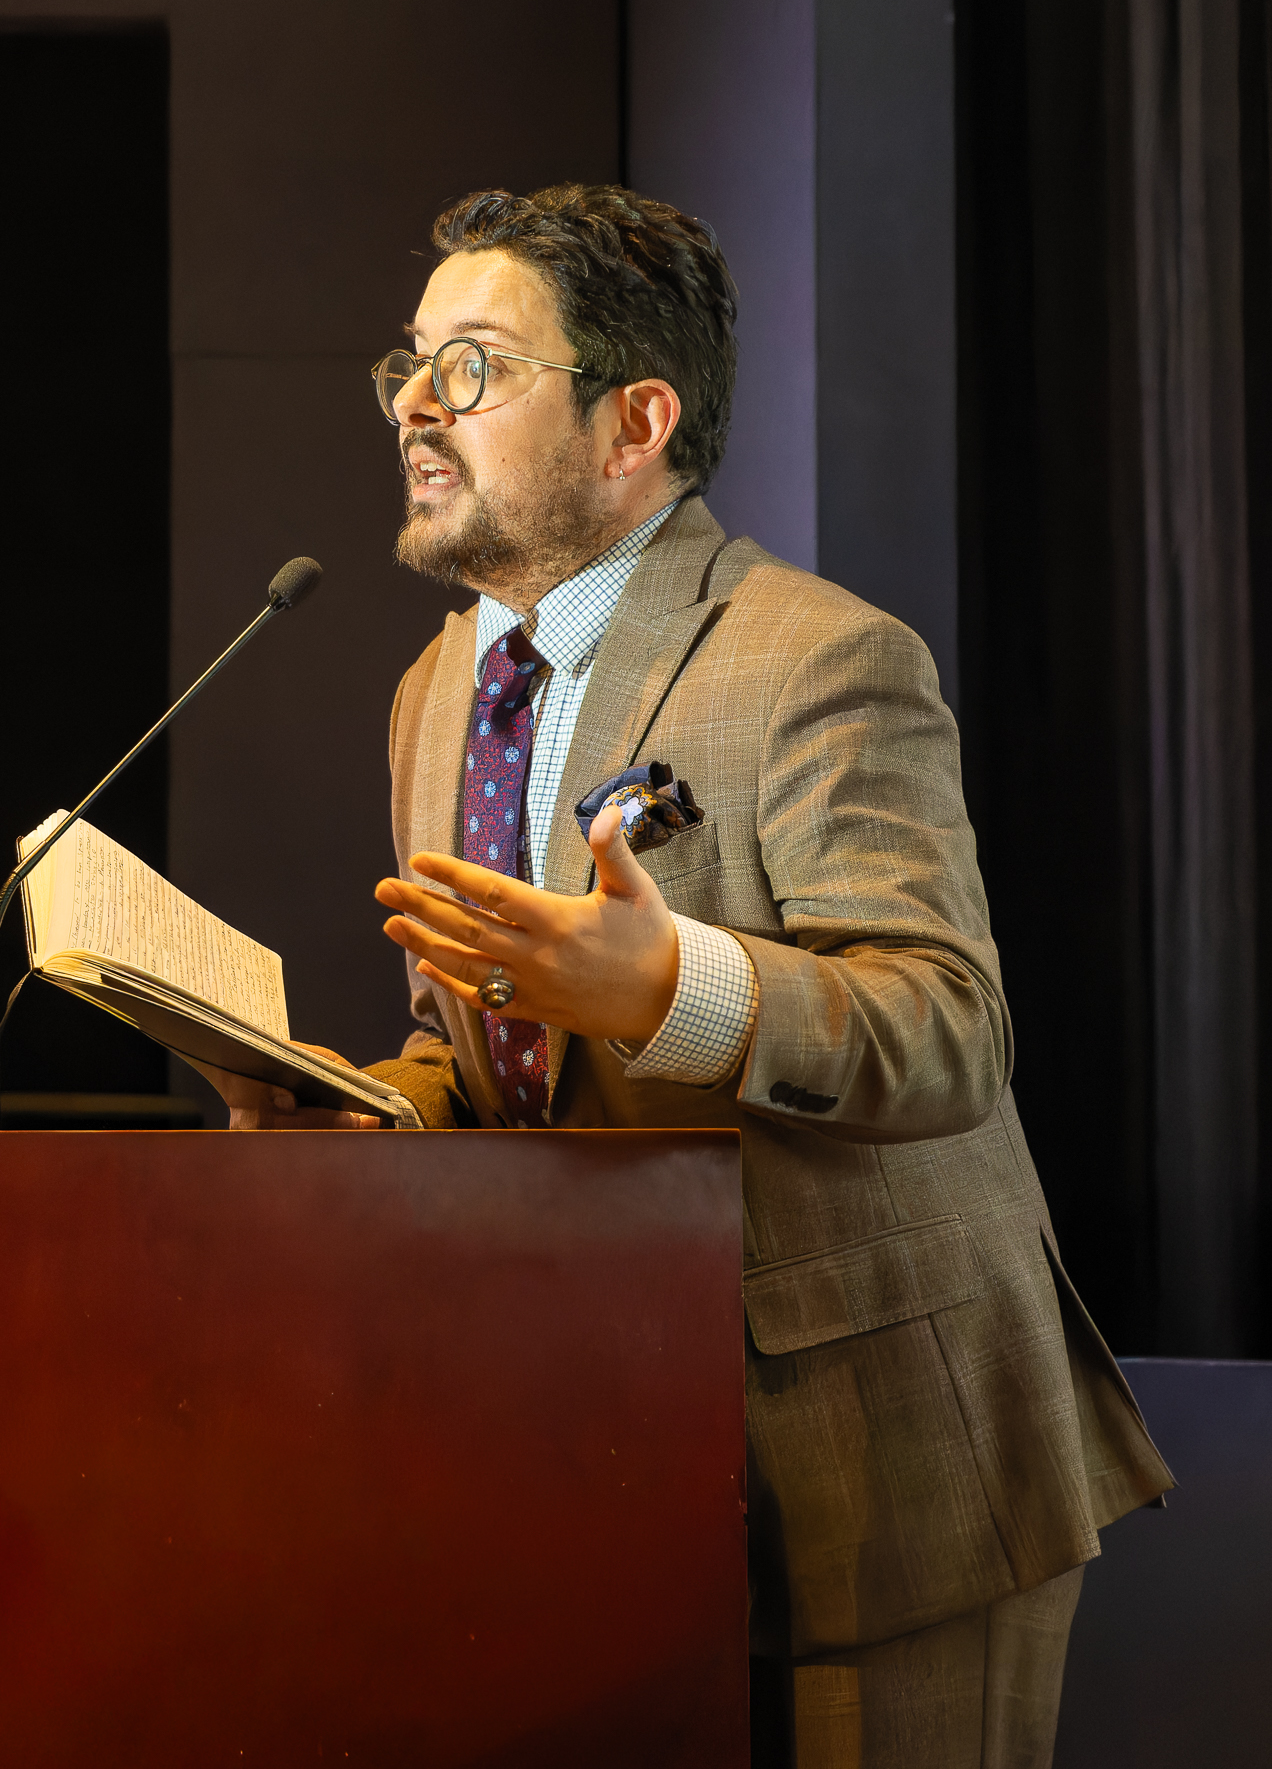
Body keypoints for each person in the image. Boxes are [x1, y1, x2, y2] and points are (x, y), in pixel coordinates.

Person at [208, 185, 1172, 1767]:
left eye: (474, 366)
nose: (414, 409)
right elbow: (480, 1043)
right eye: (406, 366)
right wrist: (355, 1112)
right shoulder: (436, 685)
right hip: (600, 1449)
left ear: (632, 421)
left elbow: (951, 1030)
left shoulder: (817, 658)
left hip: (884, 1470)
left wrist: (677, 991)